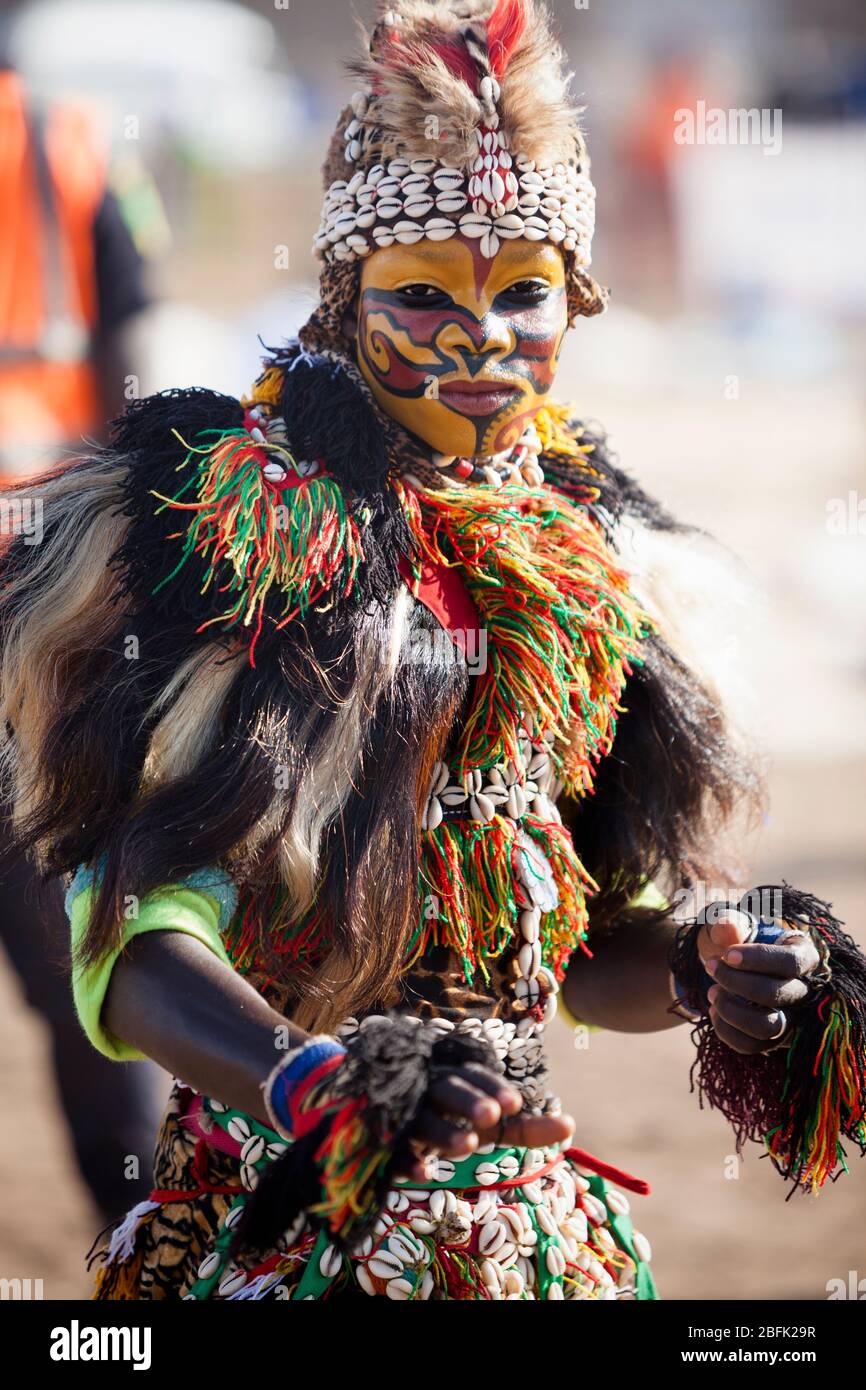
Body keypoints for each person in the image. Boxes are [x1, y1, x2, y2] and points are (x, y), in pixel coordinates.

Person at [0, 0, 863, 1303]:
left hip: (528, 1236)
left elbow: (582, 947)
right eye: (422, 296)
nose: (480, 339)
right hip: (289, 1219)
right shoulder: (234, 537)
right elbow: (135, 940)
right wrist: (313, 1081)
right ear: (344, 302)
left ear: (577, 299)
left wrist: (701, 960)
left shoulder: (580, 558)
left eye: (523, 292)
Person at [0, 34, 163, 1225]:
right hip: (41, 600)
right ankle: (143, 1257)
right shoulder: (68, 139)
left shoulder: (71, 139)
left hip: (39, 608)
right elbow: (131, 360)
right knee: (85, 965)